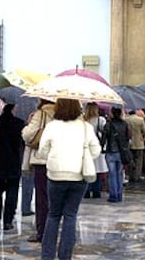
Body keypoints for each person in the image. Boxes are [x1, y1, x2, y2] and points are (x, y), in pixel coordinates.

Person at [38, 98, 101, 260]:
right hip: (79, 175)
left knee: (53, 215)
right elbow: (96, 150)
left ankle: (47, 255)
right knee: (70, 215)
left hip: (55, 176)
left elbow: (42, 151)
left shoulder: (52, 127)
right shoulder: (85, 127)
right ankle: (65, 255)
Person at [0, 104, 25, 230]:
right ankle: (8, 221)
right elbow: (23, 142)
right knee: (12, 192)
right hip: (14, 163)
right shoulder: (19, 124)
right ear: (13, 108)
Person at [21, 99, 55, 243]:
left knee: (42, 198)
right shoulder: (63, 114)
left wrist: (28, 124)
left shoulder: (40, 114)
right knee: (54, 199)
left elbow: (27, 135)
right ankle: (54, 230)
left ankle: (42, 232)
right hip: (58, 160)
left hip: (41, 160)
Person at [100, 107, 130, 203]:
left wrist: (101, 148)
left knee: (112, 174)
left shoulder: (108, 124)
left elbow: (104, 139)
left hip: (111, 151)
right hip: (121, 152)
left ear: (112, 113)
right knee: (119, 174)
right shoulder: (124, 124)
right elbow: (127, 137)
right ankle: (119, 194)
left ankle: (113, 195)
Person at [83, 102, 108, 199]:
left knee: (87, 169)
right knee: (97, 171)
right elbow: (105, 131)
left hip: (86, 146)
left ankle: (87, 191)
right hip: (97, 146)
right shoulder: (100, 120)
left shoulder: (84, 120)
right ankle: (96, 191)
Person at [124, 110, 145, 182]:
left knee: (130, 159)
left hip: (129, 143)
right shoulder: (140, 120)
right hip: (139, 142)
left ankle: (131, 175)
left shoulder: (126, 119)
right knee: (139, 160)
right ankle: (137, 176)